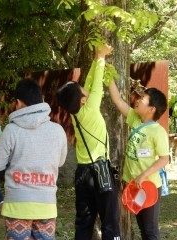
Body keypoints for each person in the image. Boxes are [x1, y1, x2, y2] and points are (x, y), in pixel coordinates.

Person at [56, 44, 121, 240]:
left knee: (83, 223)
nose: (86, 86)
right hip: (99, 170)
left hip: (82, 173)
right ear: (83, 100)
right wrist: (101, 58)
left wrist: (96, 58)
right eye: (82, 89)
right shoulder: (91, 109)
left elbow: (91, 81)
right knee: (110, 222)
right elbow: (97, 84)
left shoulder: (75, 113)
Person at [0, 79, 67, 240]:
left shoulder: (11, 130)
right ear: (42, 100)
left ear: (18, 103)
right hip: (46, 204)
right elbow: (60, 162)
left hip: (17, 205)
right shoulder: (58, 130)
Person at [108, 79, 169, 240]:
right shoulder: (135, 119)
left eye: (143, 99)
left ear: (151, 109)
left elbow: (164, 159)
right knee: (142, 228)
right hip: (133, 185)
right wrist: (109, 79)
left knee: (150, 231)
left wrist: (143, 175)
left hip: (148, 186)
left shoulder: (158, 132)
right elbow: (117, 100)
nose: (138, 100)